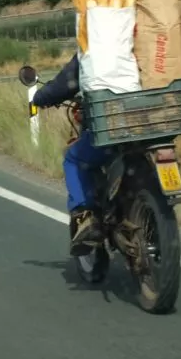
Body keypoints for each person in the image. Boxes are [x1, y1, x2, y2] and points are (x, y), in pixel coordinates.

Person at [30, 54, 108, 256]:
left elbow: (64, 84)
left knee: (74, 159)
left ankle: (85, 218)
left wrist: (40, 97)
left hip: (113, 133)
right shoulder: (148, 43)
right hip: (153, 131)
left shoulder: (94, 47)